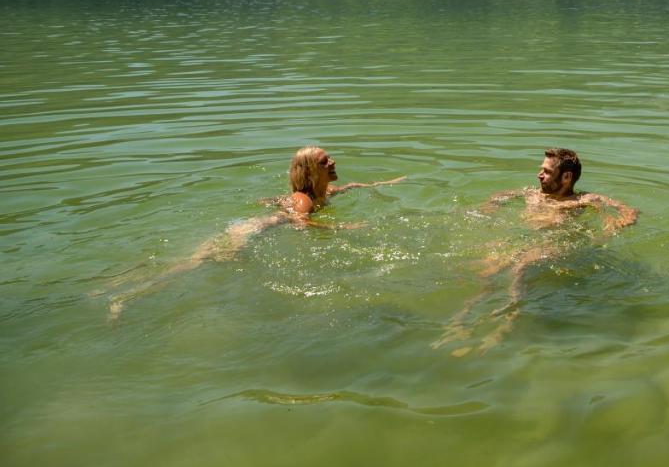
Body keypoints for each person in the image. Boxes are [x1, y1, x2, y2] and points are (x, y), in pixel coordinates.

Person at [107, 147, 404, 320]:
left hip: (248, 229)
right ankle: (125, 297)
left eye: (330, 158)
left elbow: (351, 187)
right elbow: (302, 225)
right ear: (312, 170)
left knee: (188, 262)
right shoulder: (304, 201)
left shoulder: (324, 192)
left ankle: (118, 286)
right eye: (324, 161)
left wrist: (385, 183)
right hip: (244, 235)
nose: (332, 162)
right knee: (189, 266)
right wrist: (341, 228)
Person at [435, 148, 636, 355]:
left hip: (555, 243)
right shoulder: (531, 194)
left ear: (567, 177)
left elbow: (627, 210)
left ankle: (506, 323)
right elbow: (500, 195)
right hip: (522, 240)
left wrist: (617, 220)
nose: (539, 175)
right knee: (490, 269)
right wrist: (490, 206)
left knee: (521, 267)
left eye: (547, 171)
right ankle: (460, 321)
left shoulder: (582, 200)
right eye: (541, 170)